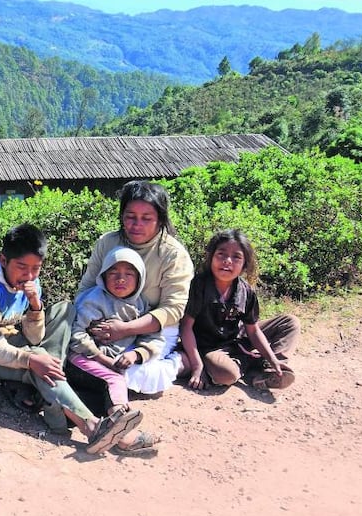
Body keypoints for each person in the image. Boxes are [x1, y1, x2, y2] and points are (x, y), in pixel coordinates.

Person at [0, 223, 142, 455]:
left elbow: (35, 337)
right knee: (40, 359)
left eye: (36, 268)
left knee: (66, 309)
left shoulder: (33, 282)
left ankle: (48, 389)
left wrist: (35, 306)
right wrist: (32, 360)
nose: (29, 275)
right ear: (3, 260)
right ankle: (92, 427)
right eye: (22, 267)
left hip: (15, 340)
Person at [70, 180, 195, 396]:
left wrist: (125, 329)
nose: (137, 224)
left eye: (146, 218)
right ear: (122, 216)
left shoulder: (173, 254)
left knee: (133, 376)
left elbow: (173, 310)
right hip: (103, 318)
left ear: (160, 220)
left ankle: (179, 362)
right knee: (81, 357)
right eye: (130, 217)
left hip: (151, 328)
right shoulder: (107, 242)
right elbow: (87, 287)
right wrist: (92, 321)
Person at [67, 246, 163, 453]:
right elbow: (76, 336)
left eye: (129, 274)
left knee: (109, 384)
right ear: (103, 276)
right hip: (81, 359)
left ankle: (115, 428)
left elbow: (154, 337)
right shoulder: (94, 299)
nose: (121, 279)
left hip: (109, 362)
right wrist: (103, 359)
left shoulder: (141, 304)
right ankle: (123, 434)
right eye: (114, 273)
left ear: (139, 279)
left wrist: (135, 354)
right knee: (114, 380)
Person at [179, 229, 301, 390]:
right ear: (211, 257)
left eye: (236, 257)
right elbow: (186, 327)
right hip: (210, 347)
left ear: (244, 264)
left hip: (238, 338)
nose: (227, 261)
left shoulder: (246, 291)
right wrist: (197, 366)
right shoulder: (199, 285)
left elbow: (253, 330)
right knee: (226, 374)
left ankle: (274, 368)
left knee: (290, 322)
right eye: (221, 254)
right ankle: (254, 364)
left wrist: (272, 358)